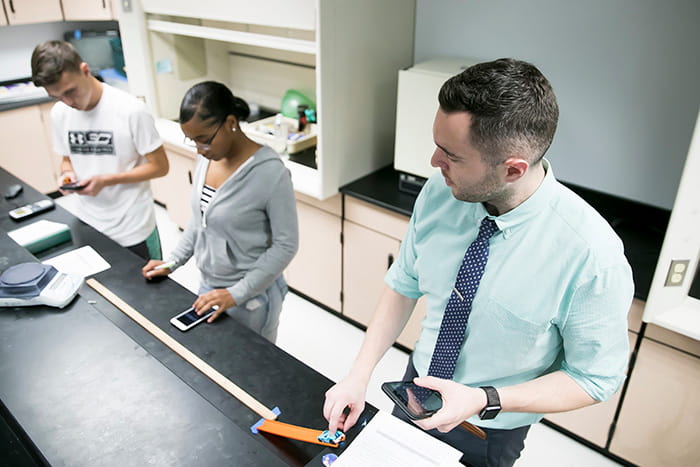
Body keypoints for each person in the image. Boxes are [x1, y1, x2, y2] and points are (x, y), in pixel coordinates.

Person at [323, 58, 633, 466]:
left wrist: (482, 399)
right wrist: (358, 374)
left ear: (512, 169)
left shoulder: (591, 256)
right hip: (416, 389)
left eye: (452, 154)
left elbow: (595, 379)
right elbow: (404, 284)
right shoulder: (439, 193)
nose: (435, 162)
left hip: (490, 425)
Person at [142, 81, 298, 343]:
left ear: (230, 123)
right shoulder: (208, 156)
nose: (200, 150)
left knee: (251, 373)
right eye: (193, 142)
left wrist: (235, 294)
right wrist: (173, 262)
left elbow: (286, 245)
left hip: (251, 298)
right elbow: (201, 219)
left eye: (203, 140)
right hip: (211, 287)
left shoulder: (270, 173)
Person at [31, 40, 169, 260]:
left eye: (70, 91)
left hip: (133, 228)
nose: (68, 102)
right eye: (58, 96)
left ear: (85, 70)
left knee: (151, 292)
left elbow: (160, 167)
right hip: (87, 222)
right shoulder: (60, 113)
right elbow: (68, 158)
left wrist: (107, 180)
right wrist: (67, 174)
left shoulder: (131, 110)